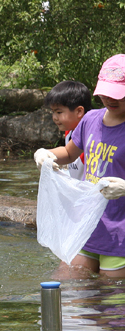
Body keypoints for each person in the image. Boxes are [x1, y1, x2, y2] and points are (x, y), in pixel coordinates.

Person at [36, 55, 125, 276]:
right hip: (88, 223)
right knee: (68, 291)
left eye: (117, 95)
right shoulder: (90, 119)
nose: (109, 99)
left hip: (120, 230)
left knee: (111, 302)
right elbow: (68, 153)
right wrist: (46, 154)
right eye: (105, 93)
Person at [44, 80, 92, 180]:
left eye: (59, 112)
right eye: (53, 112)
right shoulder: (69, 131)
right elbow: (67, 153)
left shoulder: (90, 137)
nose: (54, 117)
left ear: (79, 111)